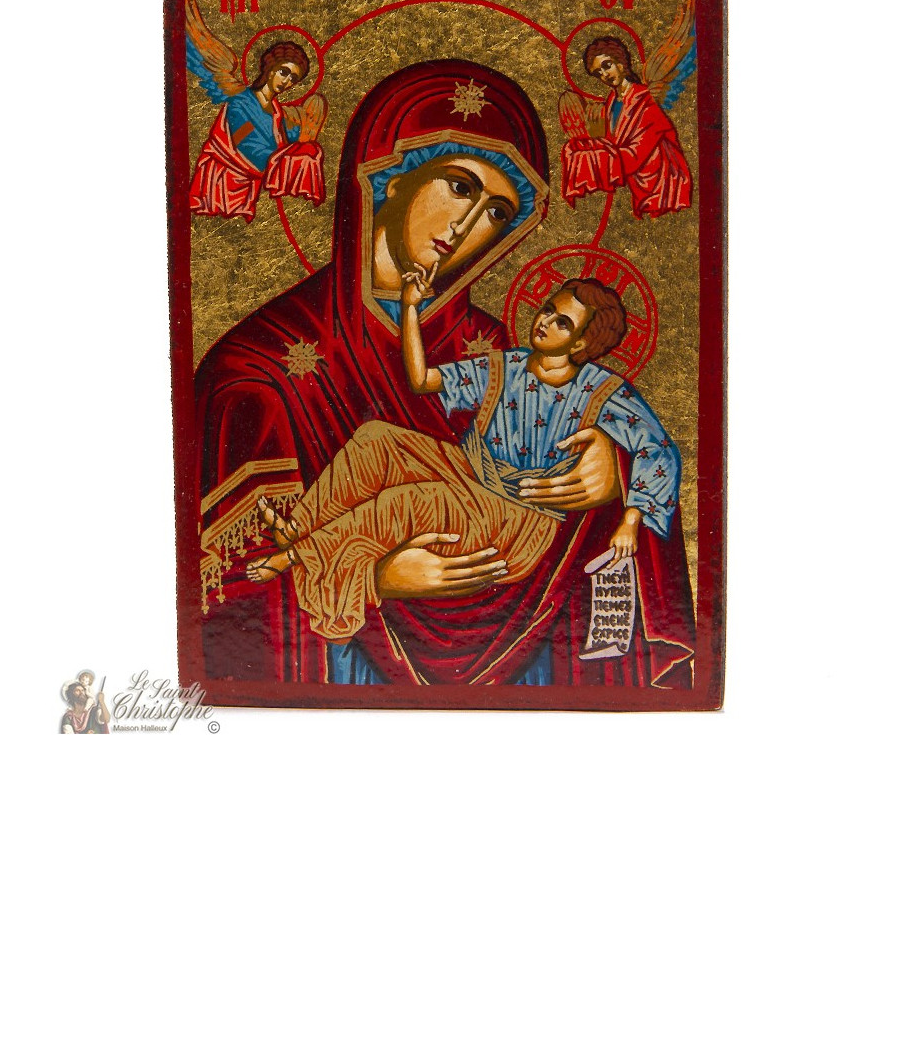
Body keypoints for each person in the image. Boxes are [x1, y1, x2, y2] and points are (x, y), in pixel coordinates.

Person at [191, 59, 694, 688]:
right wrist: (375, 576)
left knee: (410, 497)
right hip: (346, 666)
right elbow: (225, 606)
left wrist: (613, 475)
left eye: (497, 213)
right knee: (376, 443)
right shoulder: (258, 366)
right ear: (390, 177)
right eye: (459, 185)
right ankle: (302, 539)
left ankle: (305, 550)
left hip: (508, 552)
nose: (466, 226)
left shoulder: (497, 344)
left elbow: (640, 457)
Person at [246, 280, 680, 655]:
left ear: (582, 343)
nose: (545, 321)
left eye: (563, 322)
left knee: (408, 501)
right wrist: (410, 308)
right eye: (549, 309)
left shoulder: (602, 391)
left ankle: (298, 556)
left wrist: (630, 519)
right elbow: (423, 381)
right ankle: (298, 528)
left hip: (516, 518)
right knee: (376, 438)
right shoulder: (506, 365)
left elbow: (660, 449)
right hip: (470, 472)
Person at [185, 0, 326, 221]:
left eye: (293, 78)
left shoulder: (279, 115)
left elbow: (289, 142)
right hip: (225, 184)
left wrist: (307, 135)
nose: (286, 81)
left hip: (252, 188)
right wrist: (280, 160)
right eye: (284, 72)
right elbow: (242, 141)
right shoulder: (241, 101)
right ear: (270, 69)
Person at [559, 35, 692, 218]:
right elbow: (614, 145)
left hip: (662, 189)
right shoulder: (612, 102)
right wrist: (583, 146)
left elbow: (634, 156)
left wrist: (588, 161)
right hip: (637, 186)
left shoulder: (645, 101)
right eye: (598, 73)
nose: (605, 75)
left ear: (621, 62)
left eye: (607, 65)